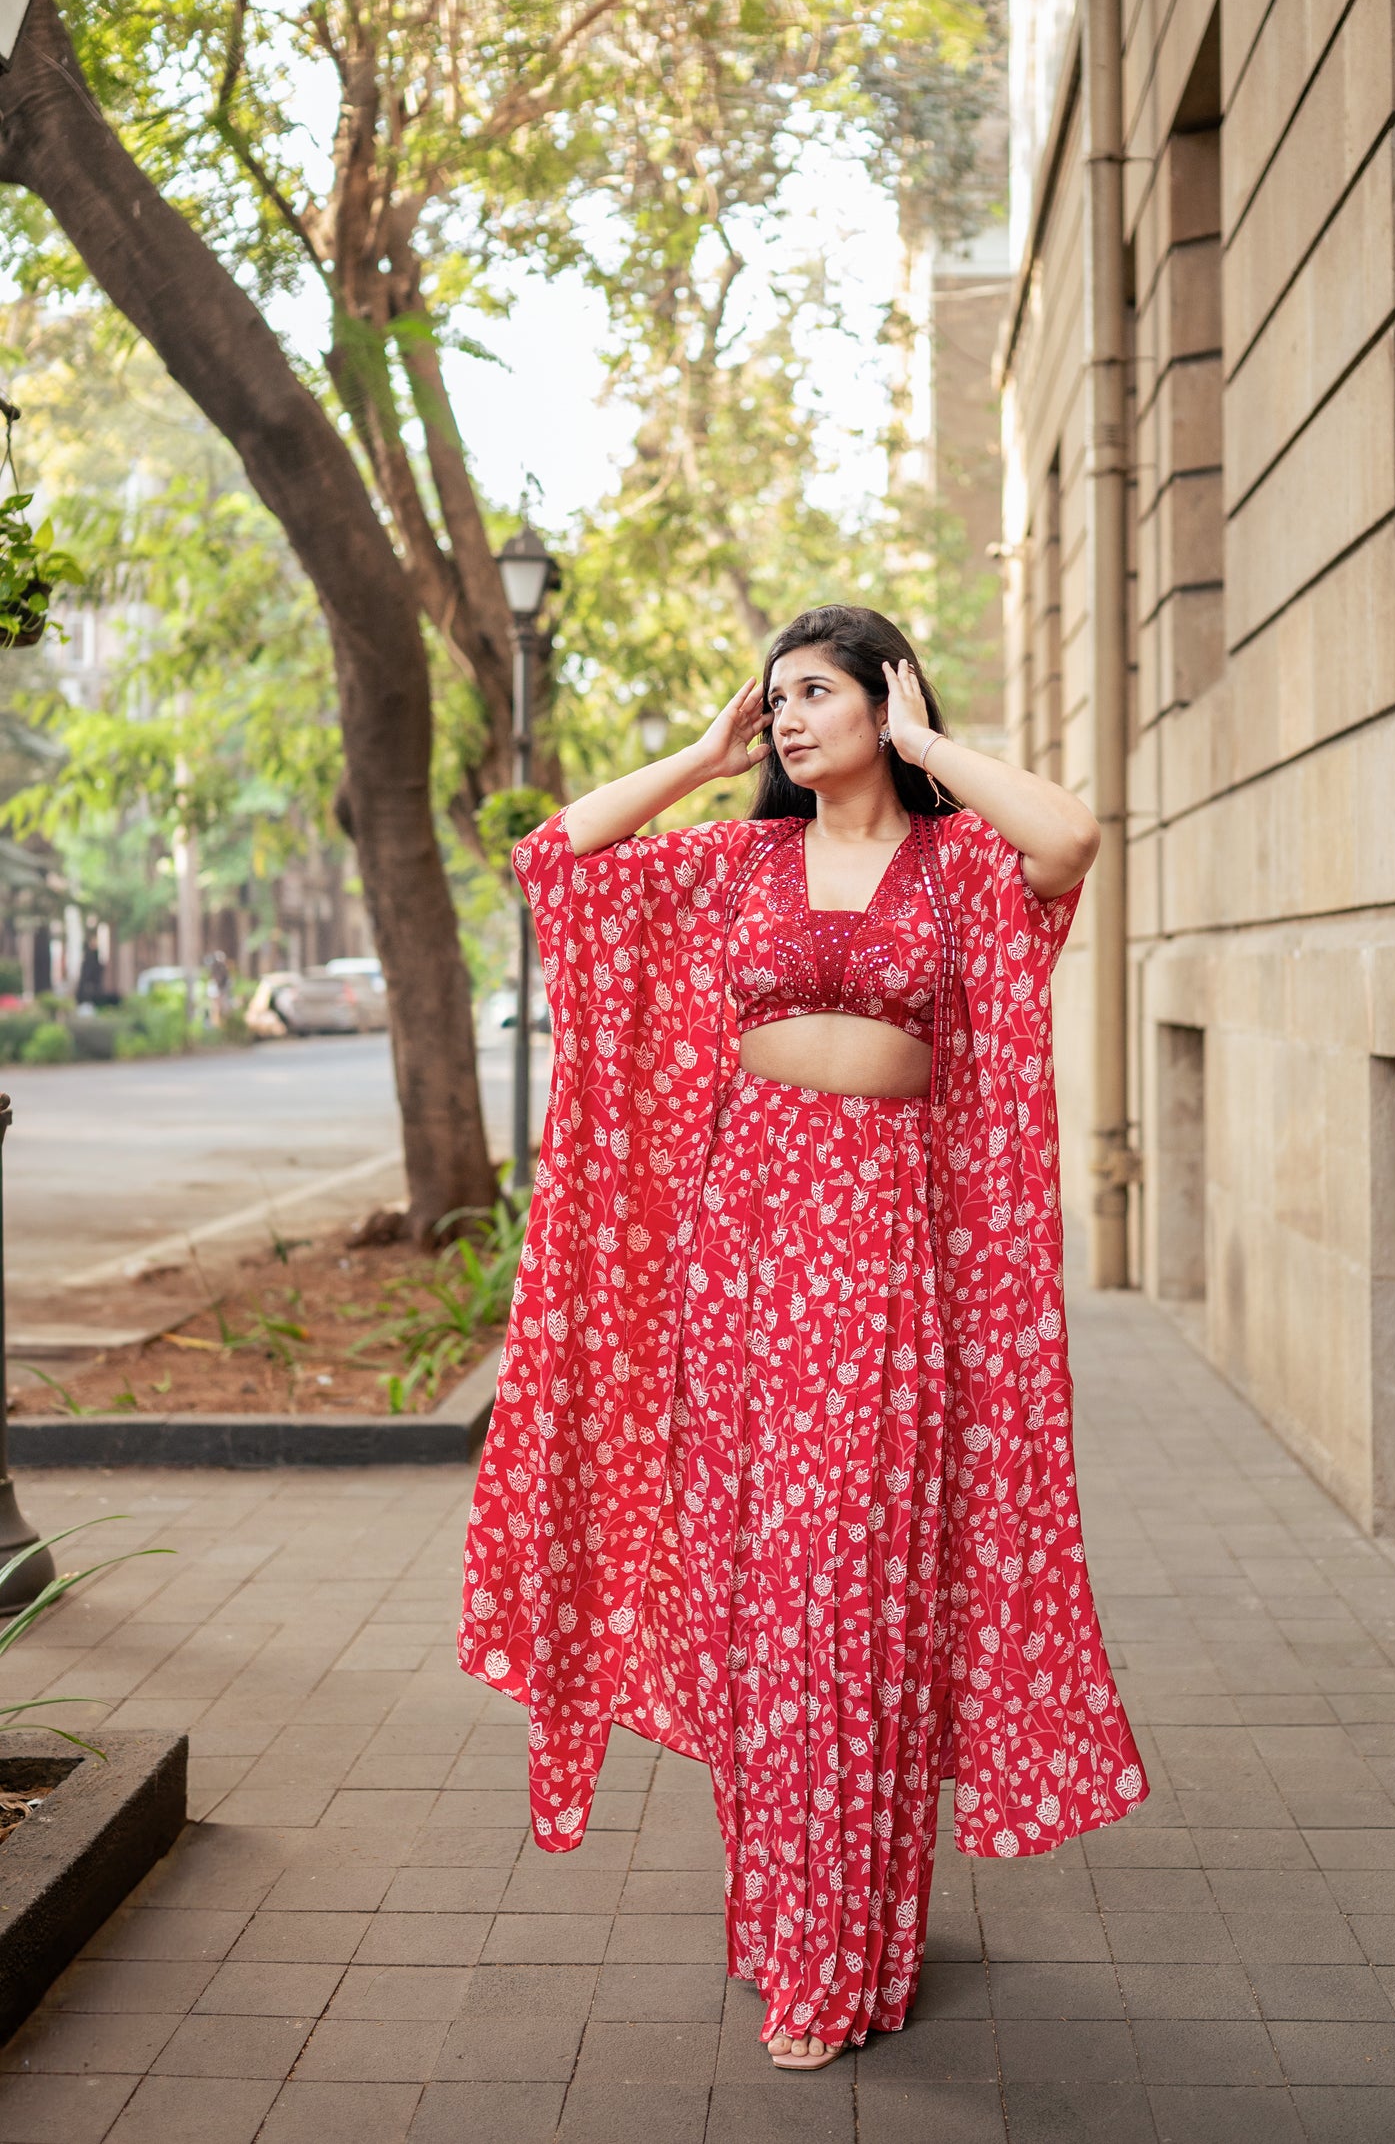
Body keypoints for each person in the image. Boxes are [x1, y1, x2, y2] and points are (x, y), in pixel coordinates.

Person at [459, 603, 1146, 2070]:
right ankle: (786, 1919)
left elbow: (1073, 839)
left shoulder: (959, 862)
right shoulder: (742, 860)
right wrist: (697, 762)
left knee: (859, 1598)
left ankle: (853, 1942)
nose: (786, 718)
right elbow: (552, 862)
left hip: (886, 1258)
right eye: (776, 700)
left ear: (882, 700)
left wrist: (927, 747)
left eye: (815, 693)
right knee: (770, 1608)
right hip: (746, 1252)